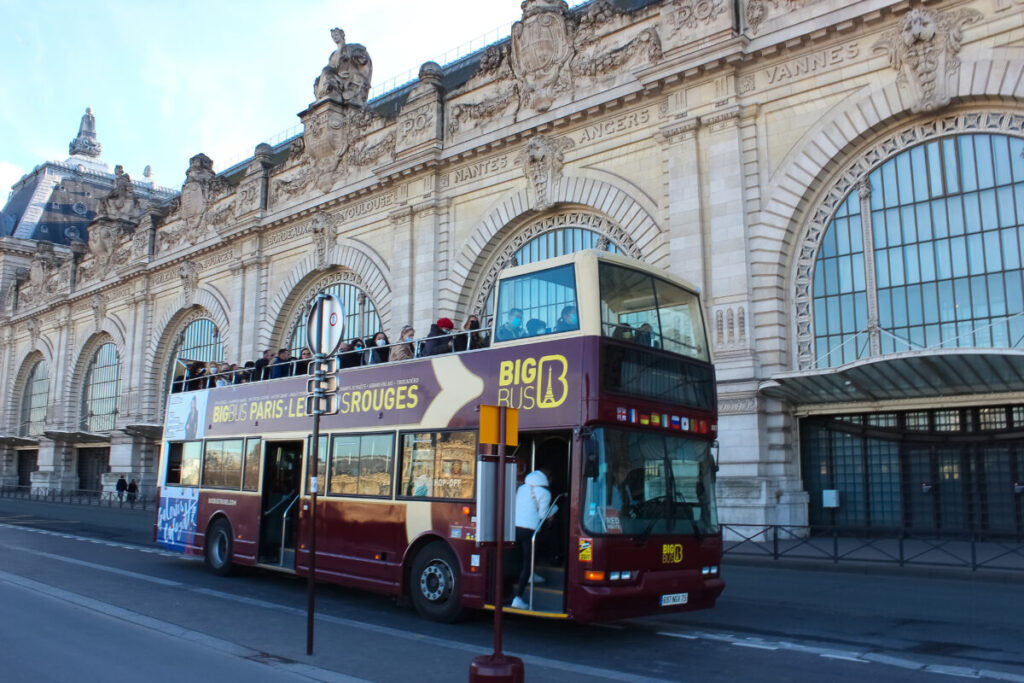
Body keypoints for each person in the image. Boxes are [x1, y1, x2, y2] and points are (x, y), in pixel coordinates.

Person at [511, 468, 555, 610]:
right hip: (530, 530)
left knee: (522, 559)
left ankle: (531, 574)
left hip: (515, 528)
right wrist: (555, 509)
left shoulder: (522, 488)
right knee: (527, 562)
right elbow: (543, 515)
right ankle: (518, 598)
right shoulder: (545, 493)